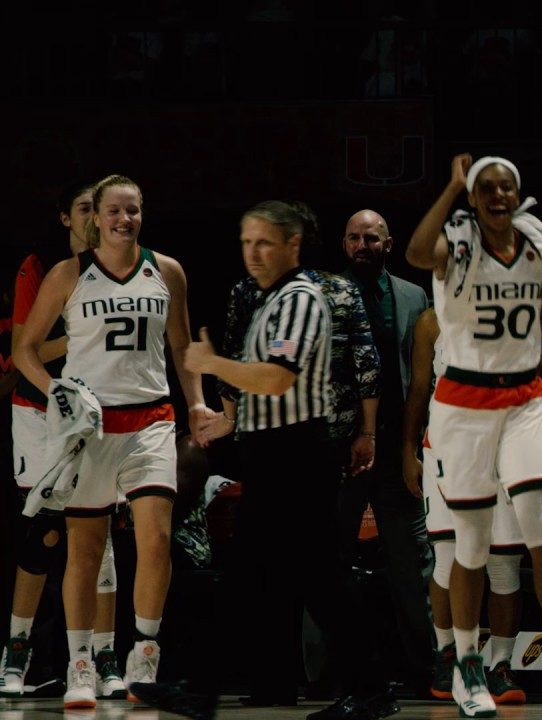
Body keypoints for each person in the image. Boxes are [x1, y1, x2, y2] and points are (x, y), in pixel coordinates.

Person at [131, 201, 398, 720]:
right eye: (246, 242)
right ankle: (202, 687)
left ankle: (370, 686)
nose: (253, 252)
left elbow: (276, 378)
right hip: (275, 452)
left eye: (265, 242)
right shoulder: (269, 300)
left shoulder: (300, 299)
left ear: (292, 246)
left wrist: (212, 364)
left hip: (296, 453)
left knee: (314, 578)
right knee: (251, 577)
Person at [405, 154, 542, 717]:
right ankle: (467, 664)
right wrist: (450, 188)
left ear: (518, 193)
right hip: (462, 405)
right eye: (485, 188)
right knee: (471, 546)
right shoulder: (456, 243)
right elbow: (416, 252)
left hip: (525, 399)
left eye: (506, 186)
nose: (497, 195)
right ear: (472, 196)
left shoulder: (537, 244)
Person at [12, 175, 206, 710]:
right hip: (90, 427)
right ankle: (81, 663)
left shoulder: (167, 271)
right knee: (86, 550)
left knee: (156, 539)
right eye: (115, 211)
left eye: (134, 210)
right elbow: (25, 349)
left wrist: (197, 404)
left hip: (151, 422)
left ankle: (144, 653)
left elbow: (182, 345)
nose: (125, 219)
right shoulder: (67, 273)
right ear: (94, 217)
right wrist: (58, 390)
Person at [402, 306, 542, 706]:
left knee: (503, 563)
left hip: (506, 445)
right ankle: (450, 656)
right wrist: (406, 449)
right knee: (448, 557)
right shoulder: (433, 321)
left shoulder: (519, 313)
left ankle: (500, 664)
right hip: (446, 446)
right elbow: (417, 388)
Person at [2, 182, 128, 702]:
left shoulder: (128, 267)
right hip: (40, 412)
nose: (94, 218)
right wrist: (82, 330)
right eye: (83, 209)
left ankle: (104, 657)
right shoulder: (44, 269)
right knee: (42, 534)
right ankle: (16, 652)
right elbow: (23, 350)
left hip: (97, 416)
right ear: (70, 217)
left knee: (99, 543)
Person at [335, 209, 434, 692]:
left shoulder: (414, 296)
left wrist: (412, 446)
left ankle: (424, 667)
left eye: (371, 238)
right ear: (343, 243)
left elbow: (423, 374)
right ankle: (333, 670)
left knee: (411, 562)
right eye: (354, 238)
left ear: (389, 244)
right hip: (341, 448)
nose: (362, 245)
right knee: (331, 560)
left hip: (398, 443)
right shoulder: (328, 293)